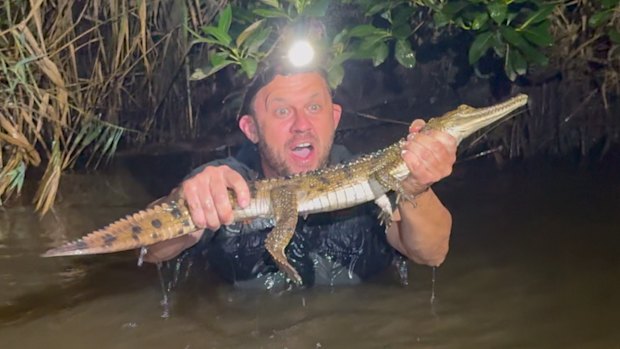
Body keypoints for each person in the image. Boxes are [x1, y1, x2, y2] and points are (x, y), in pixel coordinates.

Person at [143, 65, 457, 288]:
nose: (301, 124)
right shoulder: (227, 181)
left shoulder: (368, 173)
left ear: (334, 117)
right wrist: (189, 203)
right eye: (282, 111)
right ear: (251, 129)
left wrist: (416, 187)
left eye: (314, 107)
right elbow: (152, 252)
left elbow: (432, 254)